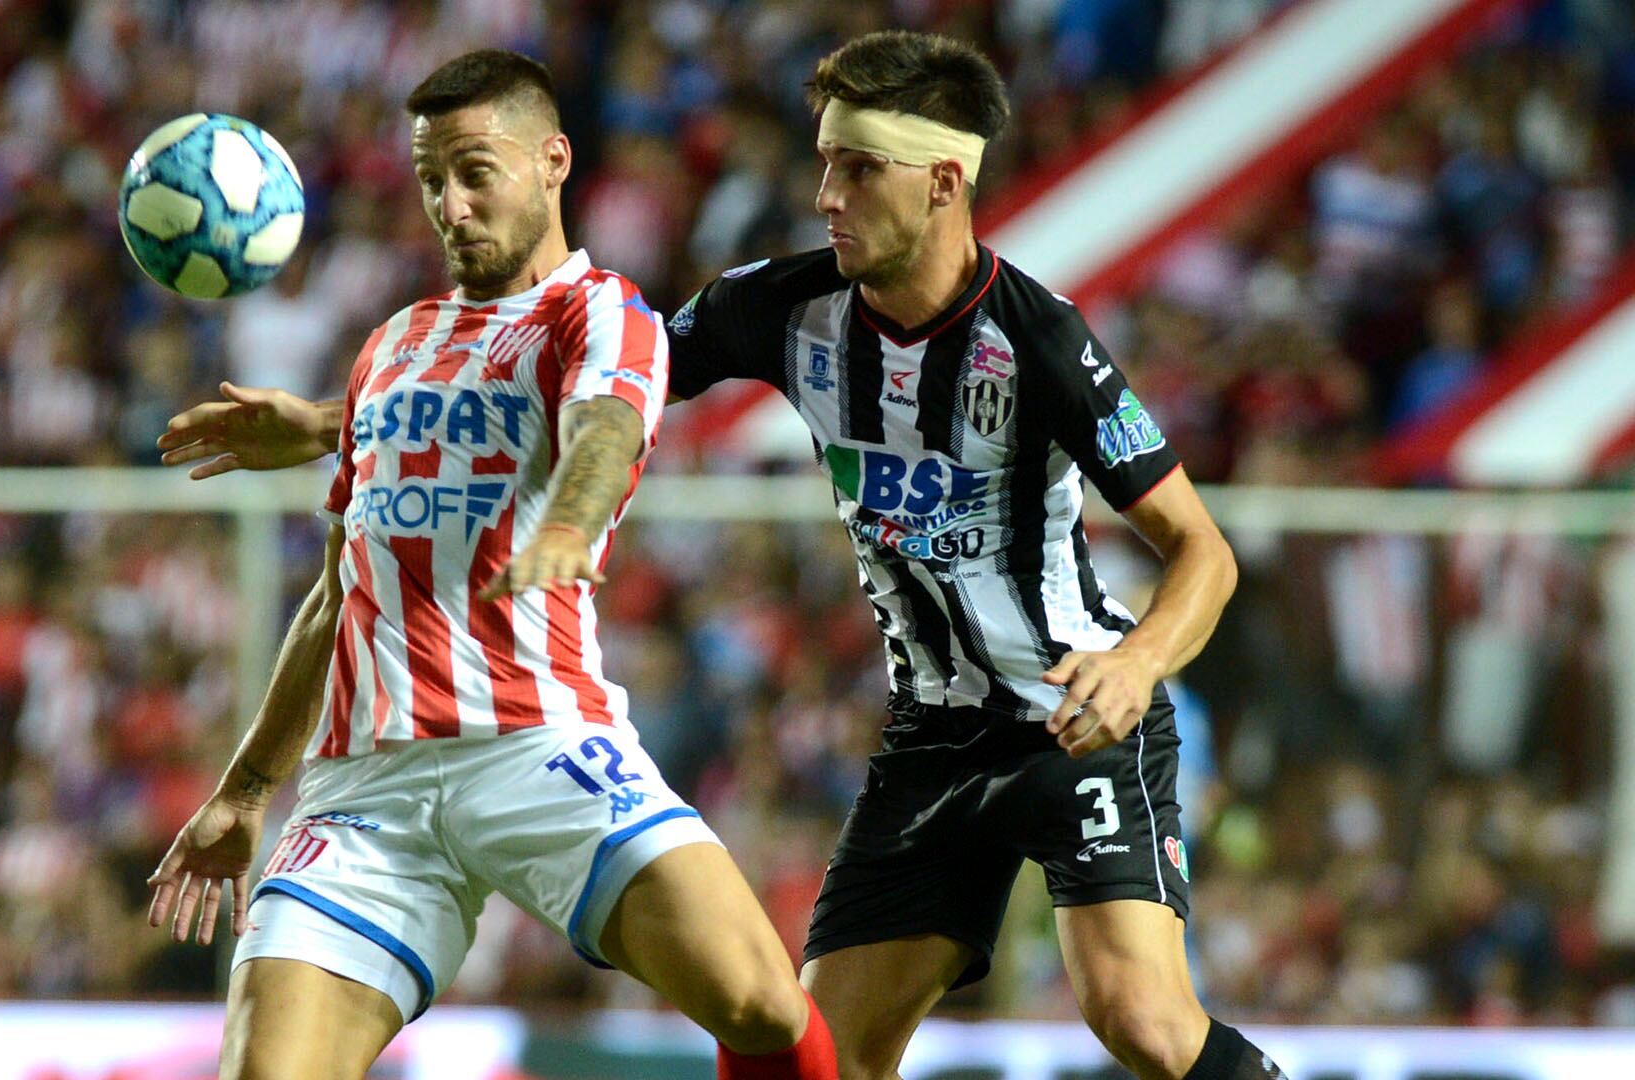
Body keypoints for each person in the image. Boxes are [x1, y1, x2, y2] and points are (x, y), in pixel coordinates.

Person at [158, 32, 1284, 1080]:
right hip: (931, 737)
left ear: (943, 181)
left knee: (1138, 1019)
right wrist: (330, 422)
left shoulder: (1039, 340)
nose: (824, 195)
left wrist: (1136, 666)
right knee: (823, 1048)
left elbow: (1204, 555)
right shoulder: (779, 308)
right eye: (823, 163)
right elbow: (590, 380)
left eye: (856, 170)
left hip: (1071, 717)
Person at [144, 50, 837, 1080]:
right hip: (362, 796)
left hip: (537, 744)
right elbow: (339, 590)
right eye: (431, 179)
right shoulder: (393, 342)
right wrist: (246, 791)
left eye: (477, 171)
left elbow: (604, 424)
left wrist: (570, 523)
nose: (450, 205)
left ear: (553, 161)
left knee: (761, 1005)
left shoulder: (600, 312)